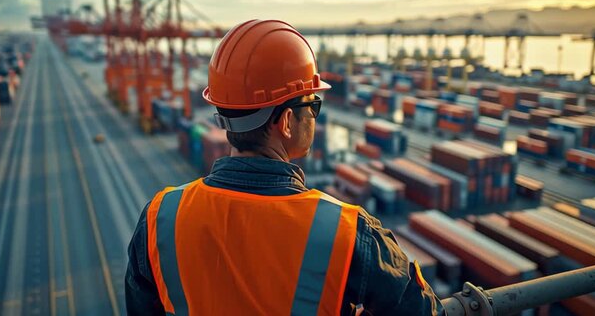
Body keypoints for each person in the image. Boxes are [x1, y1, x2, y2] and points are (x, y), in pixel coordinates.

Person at [126, 19, 443, 315]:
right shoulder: (346, 232)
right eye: (313, 104)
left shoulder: (160, 217)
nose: (315, 115)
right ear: (288, 122)